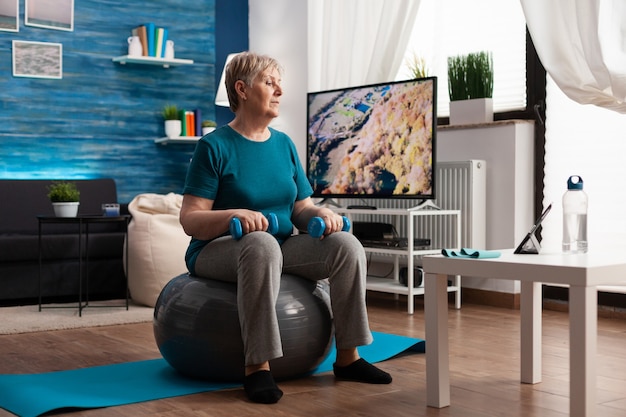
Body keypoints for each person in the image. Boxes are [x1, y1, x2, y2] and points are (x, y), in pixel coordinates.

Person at [179, 51, 392, 404]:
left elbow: (300, 208)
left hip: (279, 245)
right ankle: (257, 367)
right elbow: (190, 219)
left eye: (280, 84)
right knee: (260, 244)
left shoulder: (284, 145)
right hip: (218, 249)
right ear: (242, 89)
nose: (279, 91)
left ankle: (349, 358)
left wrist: (321, 216)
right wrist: (236, 214)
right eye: (270, 82)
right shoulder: (213, 147)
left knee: (346, 246)